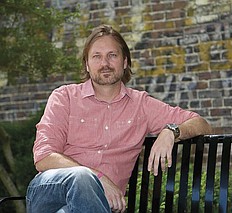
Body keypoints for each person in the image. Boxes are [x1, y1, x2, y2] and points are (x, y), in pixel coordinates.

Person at [26, 24, 213, 213]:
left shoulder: (141, 105)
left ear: (124, 62)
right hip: (50, 191)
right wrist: (97, 178)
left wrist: (171, 131)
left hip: (99, 205)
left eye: (112, 55)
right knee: (82, 177)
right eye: (97, 56)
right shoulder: (64, 97)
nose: (105, 63)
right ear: (87, 64)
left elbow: (201, 124)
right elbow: (44, 157)